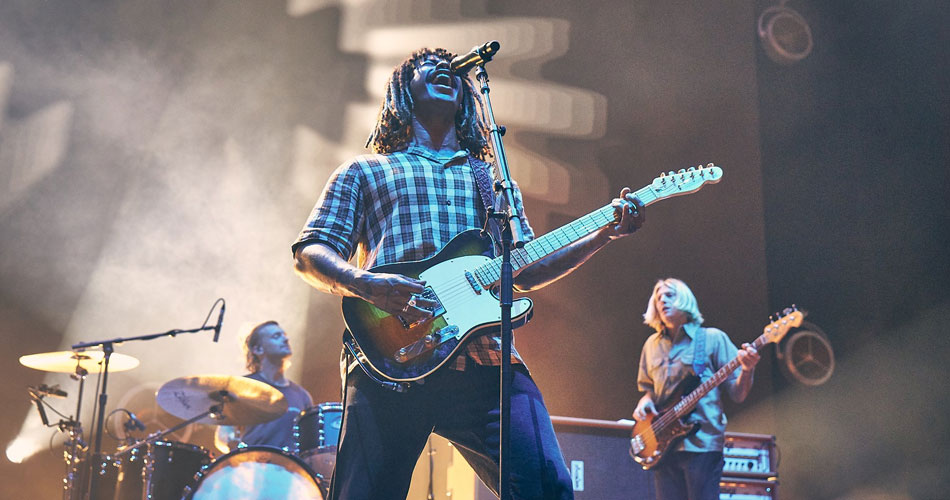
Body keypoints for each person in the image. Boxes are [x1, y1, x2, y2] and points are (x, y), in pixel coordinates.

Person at [292, 47, 645, 500]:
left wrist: (603, 235)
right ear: (402, 91)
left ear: (468, 96)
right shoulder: (365, 171)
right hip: (390, 357)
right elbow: (309, 252)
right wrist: (366, 283)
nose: (444, 67)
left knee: (547, 487)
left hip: (485, 359)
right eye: (427, 64)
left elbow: (527, 268)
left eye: (453, 68)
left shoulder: (492, 181)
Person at [633, 278, 761, 500]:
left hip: (702, 444)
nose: (662, 299)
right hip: (662, 447)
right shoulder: (651, 345)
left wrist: (747, 370)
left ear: (684, 299)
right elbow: (649, 391)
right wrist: (644, 401)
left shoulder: (712, 338)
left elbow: (738, 394)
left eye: (669, 295)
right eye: (658, 297)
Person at [214, 320, 314, 453]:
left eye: (285, 335)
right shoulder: (242, 387)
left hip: (291, 470)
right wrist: (232, 442)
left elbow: (310, 445)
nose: (286, 339)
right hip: (252, 467)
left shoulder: (302, 396)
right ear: (258, 349)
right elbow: (223, 435)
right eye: (276, 336)